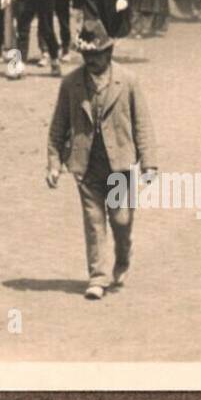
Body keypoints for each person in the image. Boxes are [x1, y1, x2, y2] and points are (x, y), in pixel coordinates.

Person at [46, 20, 158, 300]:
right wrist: (53, 163)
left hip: (120, 163)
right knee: (94, 221)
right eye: (88, 56)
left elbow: (142, 122)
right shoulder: (71, 83)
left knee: (121, 220)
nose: (93, 61)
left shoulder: (128, 81)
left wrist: (149, 163)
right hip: (86, 163)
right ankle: (97, 275)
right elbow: (58, 126)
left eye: (98, 55)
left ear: (109, 52)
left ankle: (123, 255)